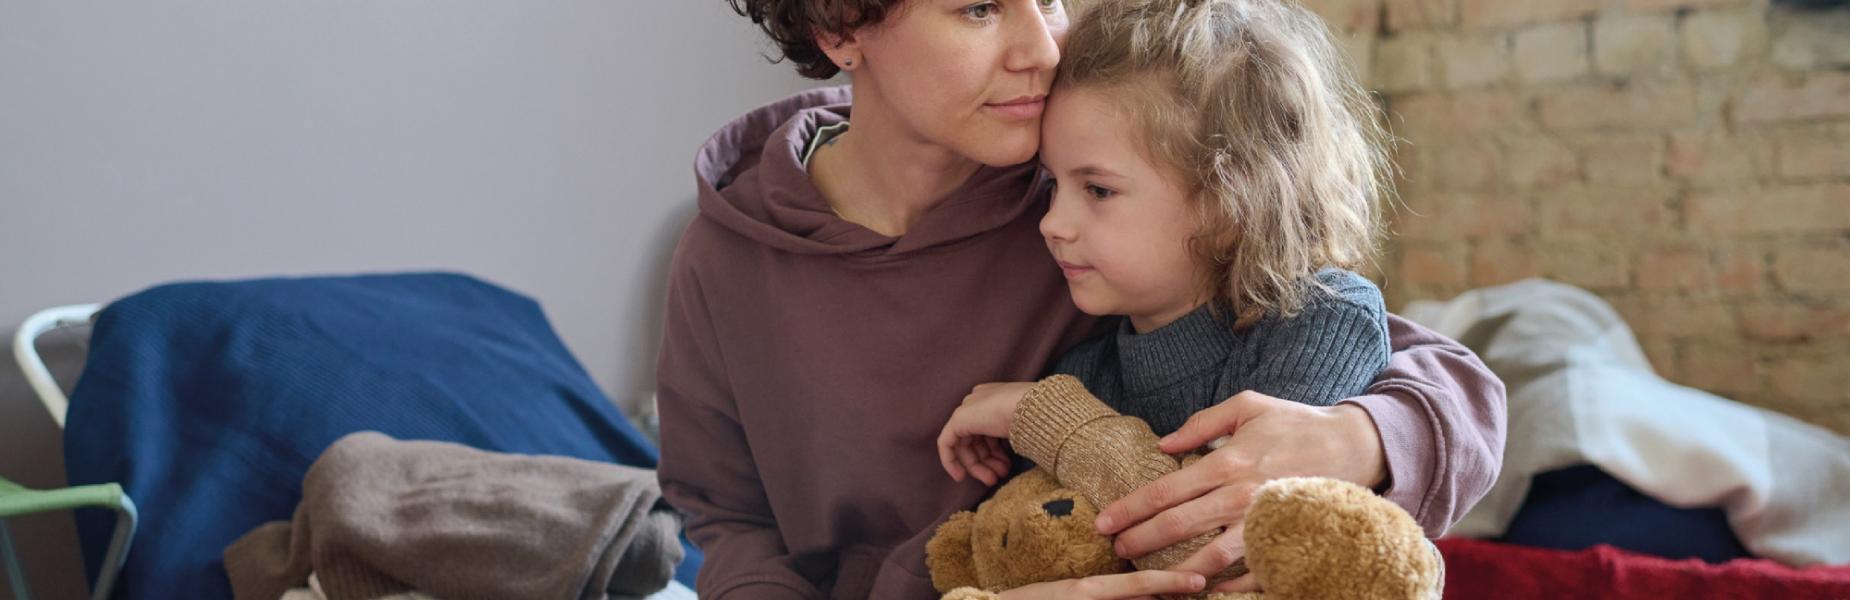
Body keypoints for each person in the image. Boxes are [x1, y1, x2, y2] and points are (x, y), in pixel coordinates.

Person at [655, 1, 1506, 598]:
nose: (1043, 46)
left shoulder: (1094, 193)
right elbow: (726, 515)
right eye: (980, 7)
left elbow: (1437, 376)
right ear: (841, 25)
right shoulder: (725, 257)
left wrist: (1357, 438)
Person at [935, 1, 1410, 591]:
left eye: (1099, 190)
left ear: (1231, 201)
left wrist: (1046, 419)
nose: (1052, 223)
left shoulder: (1321, 321)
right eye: (1056, 186)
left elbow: (1230, 551)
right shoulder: (1085, 370)